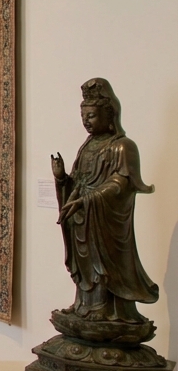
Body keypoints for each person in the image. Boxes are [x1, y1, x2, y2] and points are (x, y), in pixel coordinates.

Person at [51, 78, 157, 324]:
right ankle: (83, 305)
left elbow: (121, 183)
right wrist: (61, 179)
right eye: (84, 116)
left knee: (103, 263)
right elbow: (78, 181)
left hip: (104, 218)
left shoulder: (123, 147)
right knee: (85, 262)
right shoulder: (86, 147)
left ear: (109, 116)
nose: (86, 122)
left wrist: (89, 199)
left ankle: (106, 309)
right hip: (83, 218)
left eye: (92, 116)